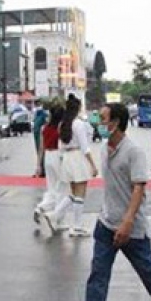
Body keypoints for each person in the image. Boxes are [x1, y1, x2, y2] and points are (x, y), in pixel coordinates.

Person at [64, 103, 151, 301]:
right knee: (98, 273)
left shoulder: (134, 152)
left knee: (147, 270)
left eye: (103, 119)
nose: (99, 123)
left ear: (115, 122)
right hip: (106, 222)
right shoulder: (105, 148)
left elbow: (138, 189)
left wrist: (127, 221)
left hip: (131, 226)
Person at [43, 95, 99, 236]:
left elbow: (60, 146)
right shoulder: (78, 124)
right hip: (77, 157)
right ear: (78, 108)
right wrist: (93, 165)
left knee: (74, 194)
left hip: (67, 158)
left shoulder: (63, 124)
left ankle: (55, 215)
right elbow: (85, 147)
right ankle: (76, 226)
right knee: (80, 194)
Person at [34, 105, 65, 223]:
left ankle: (41, 207)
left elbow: (41, 147)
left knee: (51, 187)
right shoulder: (61, 128)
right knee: (61, 188)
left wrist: (38, 165)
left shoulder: (44, 128)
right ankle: (57, 218)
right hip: (58, 156)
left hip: (48, 156)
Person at [33, 103, 49, 177]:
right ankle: (41, 169)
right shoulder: (38, 114)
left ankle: (43, 170)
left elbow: (47, 123)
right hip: (37, 135)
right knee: (40, 152)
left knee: (42, 152)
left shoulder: (44, 114)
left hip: (40, 135)